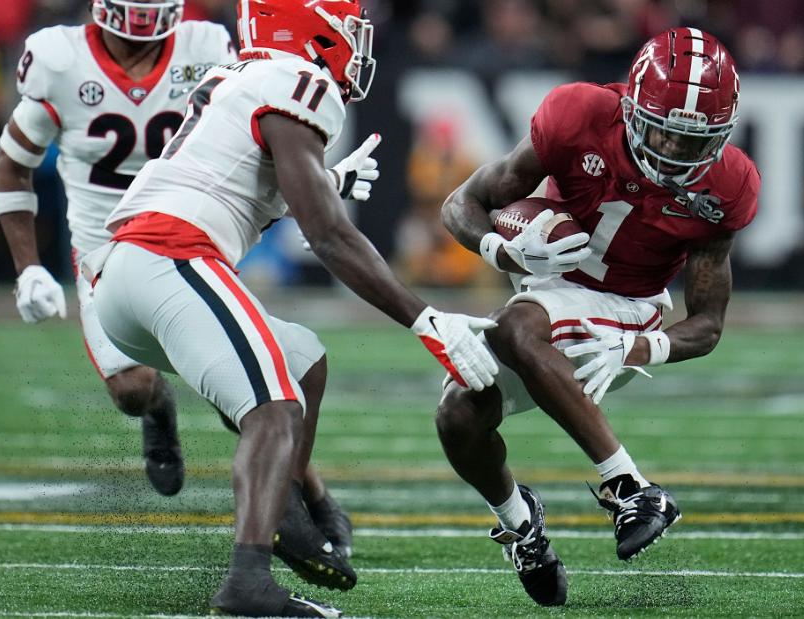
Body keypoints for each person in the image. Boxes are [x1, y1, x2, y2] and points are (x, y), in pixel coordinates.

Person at [86, 0, 499, 615]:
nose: (355, 43)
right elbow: (330, 237)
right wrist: (425, 318)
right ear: (309, 26)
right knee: (274, 407)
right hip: (170, 256)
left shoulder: (241, 76)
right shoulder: (295, 79)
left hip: (124, 279)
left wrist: (321, 183)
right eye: (347, 28)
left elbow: (232, 179)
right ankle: (247, 583)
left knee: (302, 359)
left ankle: (297, 502)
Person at [0, 0, 355, 592]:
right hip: (108, 252)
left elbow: (248, 151)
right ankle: (161, 411)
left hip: (188, 240)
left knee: (255, 379)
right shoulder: (61, 60)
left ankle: (305, 500)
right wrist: (29, 267)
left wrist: (322, 181)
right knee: (138, 391)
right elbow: (13, 164)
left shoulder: (208, 48)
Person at [435, 28, 759, 606]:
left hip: (632, 308)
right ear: (632, 107)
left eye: (695, 141)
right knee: (459, 417)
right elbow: (461, 204)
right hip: (551, 285)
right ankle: (520, 525)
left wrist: (639, 348)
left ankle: (632, 488)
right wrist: (504, 251)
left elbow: (707, 323)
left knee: (519, 327)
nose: (677, 154)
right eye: (666, 132)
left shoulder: (728, 185)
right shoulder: (576, 115)